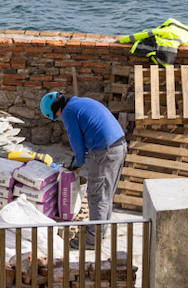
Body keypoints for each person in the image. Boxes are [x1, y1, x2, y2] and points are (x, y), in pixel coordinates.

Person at [41, 91, 127, 243]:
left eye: (57, 117)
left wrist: (76, 165)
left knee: (97, 194)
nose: (60, 119)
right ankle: (100, 232)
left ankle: (91, 240)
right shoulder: (79, 102)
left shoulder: (68, 112)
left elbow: (77, 143)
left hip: (105, 151)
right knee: (106, 193)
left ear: (56, 110)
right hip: (119, 145)